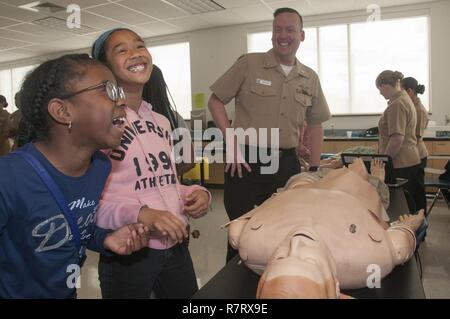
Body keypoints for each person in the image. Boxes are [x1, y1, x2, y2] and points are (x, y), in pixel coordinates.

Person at [0, 54, 151, 298]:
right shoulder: (8, 178)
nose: (121, 100)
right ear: (63, 111)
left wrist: (105, 239)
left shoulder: (100, 166)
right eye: (108, 90)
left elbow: (77, 227)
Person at [91, 28, 211, 299]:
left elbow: (165, 182)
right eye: (121, 50)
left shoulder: (161, 121)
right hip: (130, 249)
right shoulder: (99, 125)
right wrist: (141, 213)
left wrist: (194, 193)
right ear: (104, 68)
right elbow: (91, 205)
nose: (135, 53)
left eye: (139, 46)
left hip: (176, 246)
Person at [208, 7, 331, 261]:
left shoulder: (309, 77)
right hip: (245, 161)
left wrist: (315, 168)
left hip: (286, 164)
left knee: (282, 230)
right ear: (271, 33)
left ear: (302, 35)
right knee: (240, 231)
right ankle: (237, 292)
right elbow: (215, 101)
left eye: (290, 30)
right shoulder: (249, 64)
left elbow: (316, 123)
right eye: (277, 29)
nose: (282, 35)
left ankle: (273, 282)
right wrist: (230, 142)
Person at [227, 158, 424, 298]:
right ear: (336, 288)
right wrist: (410, 224)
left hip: (300, 190)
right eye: (308, 260)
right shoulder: (366, 259)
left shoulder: (253, 245)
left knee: (300, 179)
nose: (297, 242)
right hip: (351, 192)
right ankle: (371, 176)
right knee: (362, 179)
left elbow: (238, 227)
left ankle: (328, 167)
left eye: (280, 257)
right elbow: (399, 241)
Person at [376, 70, 424, 212]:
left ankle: (406, 233)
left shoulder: (397, 104)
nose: (380, 93)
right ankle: (418, 232)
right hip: (411, 160)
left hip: (400, 163)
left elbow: (397, 138)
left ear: (385, 85)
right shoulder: (405, 99)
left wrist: (383, 161)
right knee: (414, 202)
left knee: (402, 207)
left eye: (380, 89)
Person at [142, 64, 195, 176]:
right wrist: (169, 178)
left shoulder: (125, 118)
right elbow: (189, 161)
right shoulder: (175, 117)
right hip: (168, 190)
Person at [401, 76, 429, 210]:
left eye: (402, 91)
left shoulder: (419, 109)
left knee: (417, 192)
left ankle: (422, 222)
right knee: (412, 190)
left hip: (418, 154)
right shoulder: (411, 106)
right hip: (413, 153)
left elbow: (415, 135)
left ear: (410, 91)